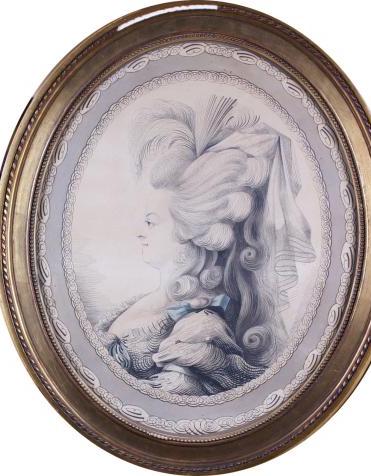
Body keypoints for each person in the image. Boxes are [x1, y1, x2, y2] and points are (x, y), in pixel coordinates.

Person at [95, 95, 315, 395]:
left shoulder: (199, 328)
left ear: (193, 233)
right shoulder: (151, 304)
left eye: (151, 222)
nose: (139, 233)